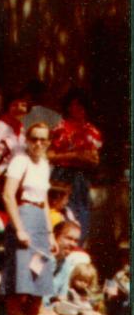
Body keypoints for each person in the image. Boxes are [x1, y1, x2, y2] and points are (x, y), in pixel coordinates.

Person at [1, 121, 56, 315]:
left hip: (40, 224)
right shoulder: (19, 161)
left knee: (38, 283)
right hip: (22, 218)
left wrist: (50, 232)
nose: (39, 143)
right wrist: (19, 228)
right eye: (34, 138)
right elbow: (7, 195)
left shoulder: (44, 164)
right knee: (19, 283)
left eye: (43, 139)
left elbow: (43, 200)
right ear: (27, 140)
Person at [47, 95, 101, 242]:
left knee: (81, 212)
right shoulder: (61, 128)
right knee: (60, 211)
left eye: (81, 106)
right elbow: (50, 155)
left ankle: (77, 245)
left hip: (81, 177)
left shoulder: (91, 131)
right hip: (62, 175)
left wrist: (83, 158)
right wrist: (75, 155)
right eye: (74, 106)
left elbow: (94, 159)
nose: (77, 109)